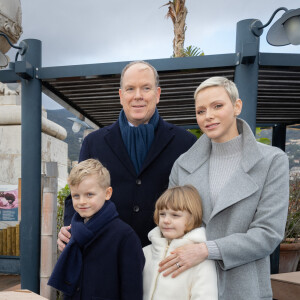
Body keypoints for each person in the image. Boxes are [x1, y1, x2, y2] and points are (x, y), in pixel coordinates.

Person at [159, 77, 289, 300]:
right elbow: (169, 225)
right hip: (190, 288)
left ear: (237, 106)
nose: (208, 116)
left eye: (217, 106)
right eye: (200, 111)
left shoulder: (272, 161)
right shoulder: (183, 165)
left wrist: (206, 250)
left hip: (244, 289)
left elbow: (268, 233)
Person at [58, 60, 197, 249]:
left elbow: (195, 201)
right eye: (130, 89)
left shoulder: (186, 143)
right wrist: (68, 227)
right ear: (121, 96)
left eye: (146, 88)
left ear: (157, 94)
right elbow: (75, 192)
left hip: (166, 259)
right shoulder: (94, 142)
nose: (137, 96)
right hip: (105, 255)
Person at [48, 159, 144, 300]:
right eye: (76, 195)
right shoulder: (72, 232)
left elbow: (132, 290)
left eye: (89, 195)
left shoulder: (125, 236)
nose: (82, 202)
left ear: (107, 193)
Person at [143, 185, 218, 300]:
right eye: (162, 214)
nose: (166, 220)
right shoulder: (145, 253)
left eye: (175, 215)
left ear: (192, 218)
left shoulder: (201, 262)